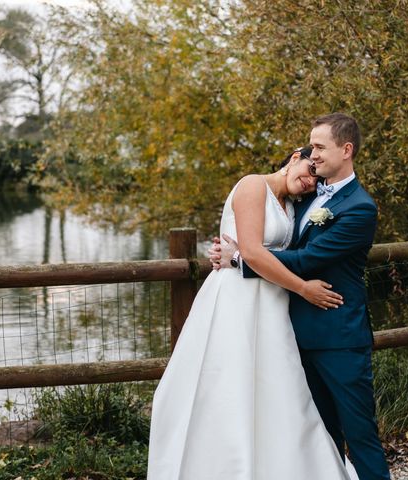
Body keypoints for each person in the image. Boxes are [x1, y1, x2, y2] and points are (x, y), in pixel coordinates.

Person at [147, 147, 358, 479]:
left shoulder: (293, 205)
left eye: (317, 181)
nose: (310, 181)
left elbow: (282, 254)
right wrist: (302, 288)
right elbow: (254, 254)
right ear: (293, 157)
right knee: (230, 386)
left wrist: (236, 256)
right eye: (309, 169)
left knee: (279, 387)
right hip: (237, 302)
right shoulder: (251, 185)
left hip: (273, 307)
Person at [212, 113, 391, 479]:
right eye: (312, 147)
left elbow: (309, 259)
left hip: (339, 337)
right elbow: (268, 233)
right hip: (290, 334)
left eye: (321, 147)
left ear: (347, 149)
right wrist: (231, 250)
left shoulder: (360, 208)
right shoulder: (304, 197)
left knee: (360, 436)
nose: (315, 154)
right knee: (317, 439)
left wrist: (241, 258)